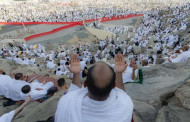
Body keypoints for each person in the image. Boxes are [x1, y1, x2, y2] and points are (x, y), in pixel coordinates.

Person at [55, 54, 133, 122]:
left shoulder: (66, 105)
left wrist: (76, 74)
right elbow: (122, 95)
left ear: (85, 84)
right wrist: (119, 73)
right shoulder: (125, 107)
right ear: (114, 86)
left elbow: (73, 94)